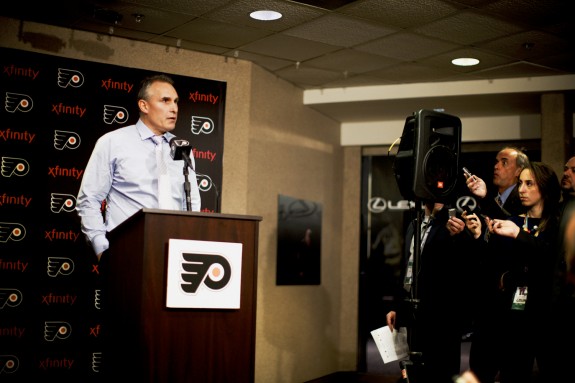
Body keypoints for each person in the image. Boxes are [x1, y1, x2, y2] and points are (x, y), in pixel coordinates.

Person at [76, 74, 201, 261]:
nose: (174, 108)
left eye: (175, 101)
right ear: (144, 106)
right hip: (128, 252)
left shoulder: (182, 148)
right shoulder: (113, 142)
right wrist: (102, 248)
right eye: (165, 101)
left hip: (176, 255)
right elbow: (89, 200)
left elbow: (192, 203)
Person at [467, 162, 560, 383]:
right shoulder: (516, 221)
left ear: (545, 187)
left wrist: (519, 235)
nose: (522, 189)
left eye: (530, 184)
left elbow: (550, 260)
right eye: (520, 183)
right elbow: (493, 260)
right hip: (512, 318)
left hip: (546, 318)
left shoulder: (557, 223)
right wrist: (479, 235)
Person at [386, 200, 471, 383]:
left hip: (442, 319)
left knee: (440, 374)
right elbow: (407, 267)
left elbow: (464, 266)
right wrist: (398, 307)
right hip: (414, 314)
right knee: (414, 373)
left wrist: (461, 235)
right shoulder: (414, 224)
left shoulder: (452, 223)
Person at [465, 147, 529, 219]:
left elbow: (508, 222)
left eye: (504, 163)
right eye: (496, 162)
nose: (496, 167)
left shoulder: (524, 199)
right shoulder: (492, 197)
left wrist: (485, 197)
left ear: (518, 171)